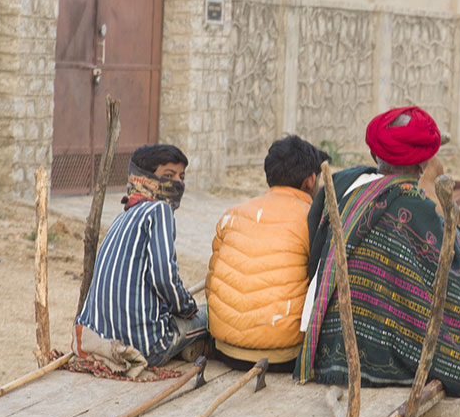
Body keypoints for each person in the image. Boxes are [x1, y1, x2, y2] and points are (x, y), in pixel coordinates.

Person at [299, 106, 460, 417]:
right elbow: (456, 296)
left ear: (374, 154)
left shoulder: (342, 186)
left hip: (324, 351)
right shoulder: (423, 216)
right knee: (448, 337)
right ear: (423, 164)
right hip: (386, 362)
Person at [75, 143, 207, 366]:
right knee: (208, 318)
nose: (178, 183)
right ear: (145, 178)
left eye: (181, 177)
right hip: (147, 346)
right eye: (169, 175)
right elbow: (165, 279)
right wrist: (188, 308)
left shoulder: (122, 218)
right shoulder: (160, 210)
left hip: (101, 339)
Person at [206, 135, 327, 369]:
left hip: (226, 349)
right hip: (283, 355)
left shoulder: (233, 214)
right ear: (311, 181)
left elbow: (211, 282)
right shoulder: (313, 219)